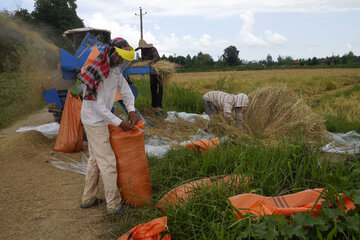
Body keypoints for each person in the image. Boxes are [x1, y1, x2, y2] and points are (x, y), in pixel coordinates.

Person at [78, 37, 139, 215]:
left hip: (100, 120)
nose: (121, 61)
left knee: (95, 160)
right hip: (94, 121)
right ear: (111, 52)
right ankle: (113, 206)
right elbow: (99, 107)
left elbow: (126, 91)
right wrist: (121, 124)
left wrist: (132, 110)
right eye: (119, 57)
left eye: (123, 59)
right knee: (108, 163)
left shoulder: (114, 70)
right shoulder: (97, 71)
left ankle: (88, 199)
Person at [135, 39, 162, 109]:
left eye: (142, 48)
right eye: (141, 48)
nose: (142, 49)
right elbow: (143, 60)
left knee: (159, 88)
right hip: (151, 73)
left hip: (158, 71)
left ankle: (159, 106)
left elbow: (156, 58)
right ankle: (153, 105)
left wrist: (149, 63)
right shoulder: (143, 52)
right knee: (153, 88)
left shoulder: (153, 49)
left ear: (145, 46)